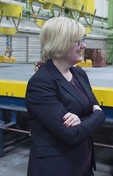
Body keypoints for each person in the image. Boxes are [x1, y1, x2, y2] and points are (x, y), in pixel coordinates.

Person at [25, 17, 105, 176]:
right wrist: (98, 115)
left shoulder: (79, 74)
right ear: (60, 43)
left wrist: (85, 119)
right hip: (56, 168)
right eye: (78, 41)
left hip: (84, 163)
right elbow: (71, 135)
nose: (84, 45)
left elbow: (95, 108)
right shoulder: (41, 83)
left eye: (84, 40)